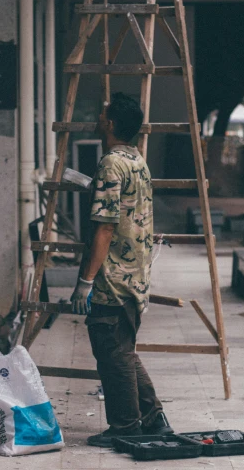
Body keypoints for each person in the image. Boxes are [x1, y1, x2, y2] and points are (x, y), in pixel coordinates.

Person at [70, 92, 173, 448]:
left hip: (112, 279)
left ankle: (126, 426)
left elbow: (105, 227)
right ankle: (153, 416)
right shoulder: (137, 160)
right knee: (123, 350)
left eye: (103, 114)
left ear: (111, 124)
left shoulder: (112, 163)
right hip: (135, 275)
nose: (99, 118)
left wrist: (85, 281)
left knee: (112, 352)